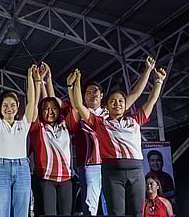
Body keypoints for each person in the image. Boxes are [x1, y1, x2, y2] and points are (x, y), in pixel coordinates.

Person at [72, 66, 167, 217]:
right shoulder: (100, 123)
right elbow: (79, 105)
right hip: (112, 173)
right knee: (116, 213)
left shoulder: (135, 120)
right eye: (113, 101)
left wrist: (159, 81)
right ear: (107, 106)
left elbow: (152, 100)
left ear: (125, 105)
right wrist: (75, 83)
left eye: (121, 101)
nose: (117, 104)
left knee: (137, 212)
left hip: (136, 172)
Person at [0, 60, 36, 217]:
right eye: (5, 105)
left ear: (18, 107)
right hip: (1, 169)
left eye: (13, 105)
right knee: (1, 213)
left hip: (22, 169)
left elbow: (32, 102)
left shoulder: (23, 124)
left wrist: (30, 78)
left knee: (21, 213)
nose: (9, 108)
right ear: (0, 108)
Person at [29, 64, 78, 216]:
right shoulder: (38, 127)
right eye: (45, 109)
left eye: (54, 108)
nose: (50, 112)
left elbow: (76, 108)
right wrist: (37, 82)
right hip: (45, 179)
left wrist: (49, 79)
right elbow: (33, 105)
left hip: (66, 180)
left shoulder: (66, 124)